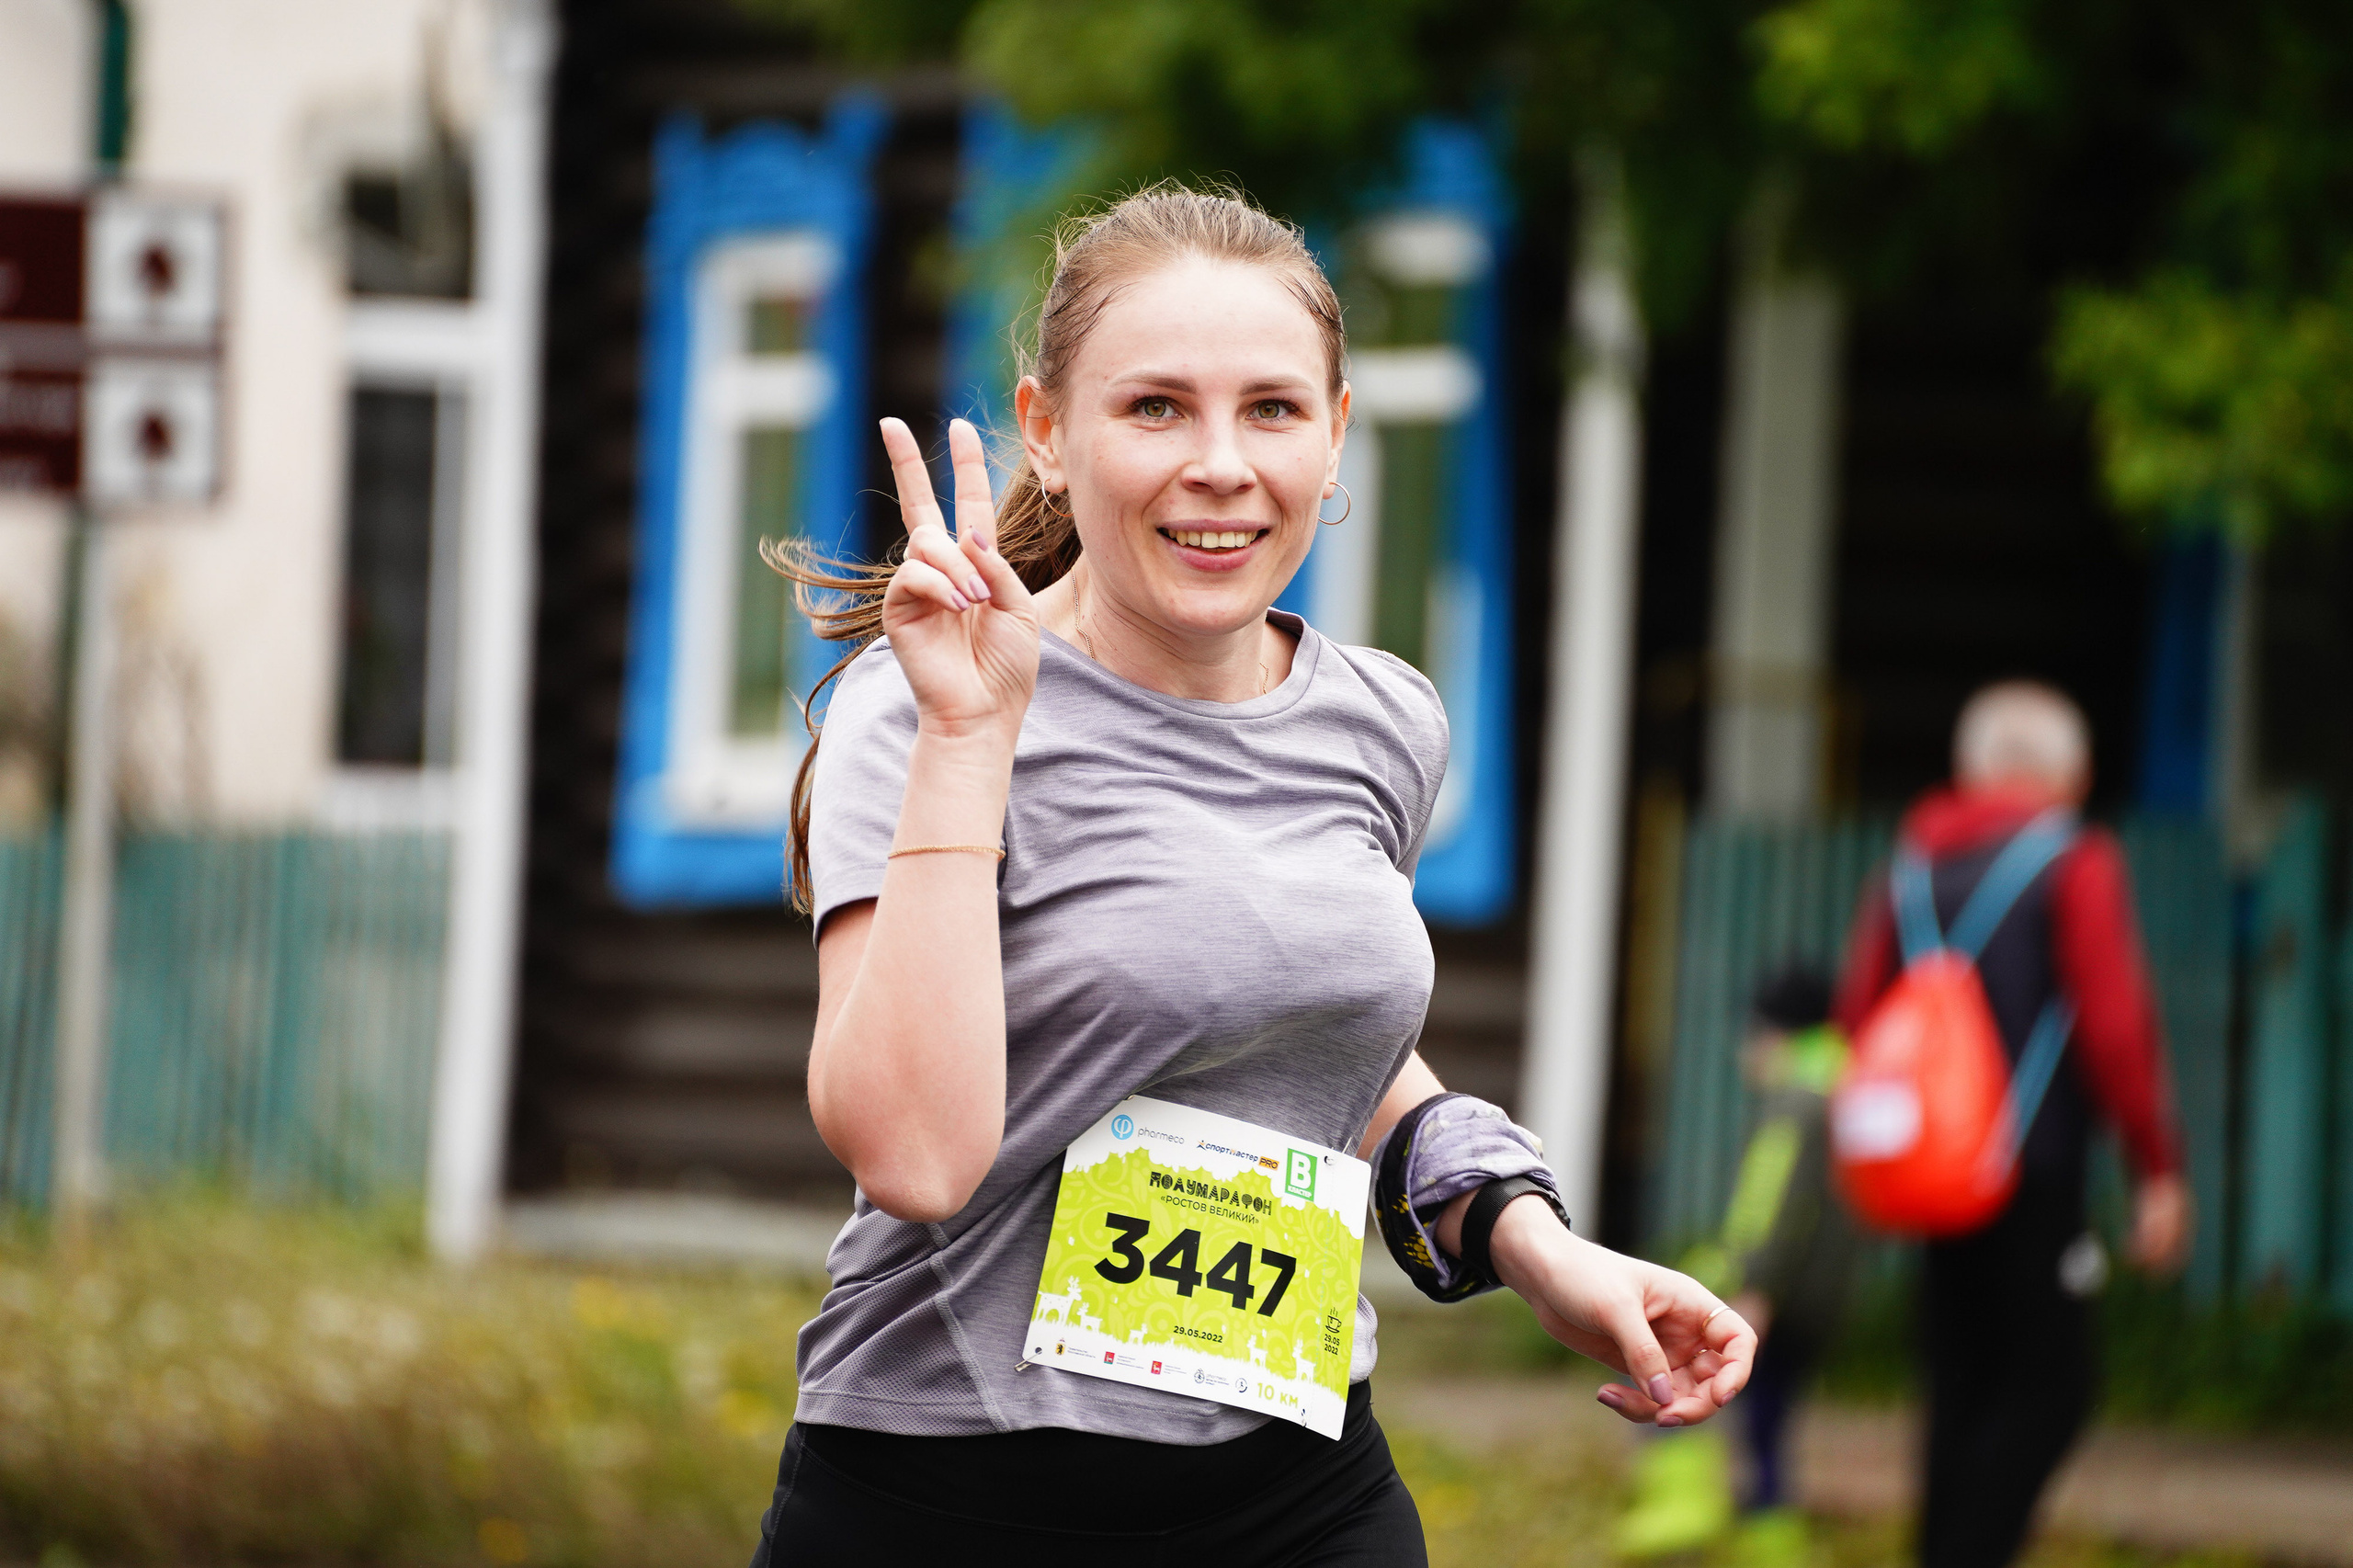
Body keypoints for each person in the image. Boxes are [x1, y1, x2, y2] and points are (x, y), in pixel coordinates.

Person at [743, 186, 1754, 1564]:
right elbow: (915, 1156)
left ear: (1337, 435)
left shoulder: (1386, 719)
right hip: (958, 1487)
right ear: (1047, 431)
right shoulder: (928, 702)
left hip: (1299, 1477)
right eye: (1155, 406)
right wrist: (975, 738)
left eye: (1273, 410)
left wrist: (1536, 1244)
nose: (1221, 463)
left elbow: (1315, 1042)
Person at [1833, 682, 2190, 1568]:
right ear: (2070, 773)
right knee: (2054, 1387)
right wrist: (2157, 1166)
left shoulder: (1913, 864)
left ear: (1972, 769)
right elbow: (2113, 1025)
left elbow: (1858, 1018)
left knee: (1960, 1384)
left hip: (1936, 1172)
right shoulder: (2076, 859)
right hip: (2033, 1168)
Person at [1616, 964, 1859, 1563]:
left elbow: (1769, 1203)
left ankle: (1683, 1511)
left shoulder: (1795, 1103)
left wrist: (1751, 1285)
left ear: (1775, 1035)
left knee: (1669, 1370)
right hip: (1821, 1297)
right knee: (1768, 1417)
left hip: (1771, 1293)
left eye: (1752, 1034)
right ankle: (1770, 1537)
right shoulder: (1842, 1093)